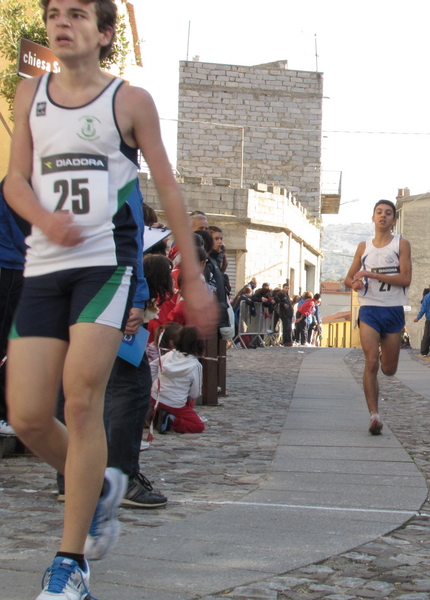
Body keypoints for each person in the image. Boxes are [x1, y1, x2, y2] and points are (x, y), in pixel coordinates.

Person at [3, 1, 217, 597]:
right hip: (44, 268)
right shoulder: (30, 96)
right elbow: (15, 179)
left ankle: (70, 566)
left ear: (102, 32)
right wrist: (43, 216)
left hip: (103, 266)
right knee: (24, 416)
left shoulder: (129, 102)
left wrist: (193, 279)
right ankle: (96, 484)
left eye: (76, 13)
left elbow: (168, 189)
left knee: (80, 398)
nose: (60, 22)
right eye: (53, 13)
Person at [344, 199, 411, 435]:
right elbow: (348, 278)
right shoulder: (363, 247)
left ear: (394, 220)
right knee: (371, 360)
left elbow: (405, 279)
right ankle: (374, 415)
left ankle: (387, 356)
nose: (383, 216)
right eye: (379, 212)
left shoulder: (401, 244)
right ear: (373, 218)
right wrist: (356, 283)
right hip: (370, 309)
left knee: (389, 369)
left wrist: (372, 274)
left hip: (393, 310)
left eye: (388, 213)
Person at [0, 179, 30, 438]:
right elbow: (26, 236)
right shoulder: (17, 183)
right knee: (5, 344)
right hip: (10, 267)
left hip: (15, 267)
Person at [150, 325, 205, 434]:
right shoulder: (195, 366)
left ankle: (159, 415)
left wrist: (155, 383)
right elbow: (195, 393)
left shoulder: (168, 355)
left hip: (156, 397)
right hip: (174, 403)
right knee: (198, 426)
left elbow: (151, 368)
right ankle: (172, 420)